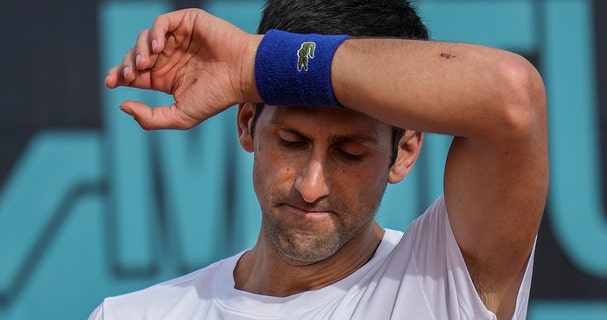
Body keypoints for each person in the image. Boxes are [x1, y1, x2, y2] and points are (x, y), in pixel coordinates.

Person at [90, 0, 548, 319]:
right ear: (247, 123)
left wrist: (255, 62)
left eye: (350, 153)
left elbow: (511, 97)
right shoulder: (132, 315)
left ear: (403, 151)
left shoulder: (442, 282)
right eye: (291, 141)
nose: (311, 186)